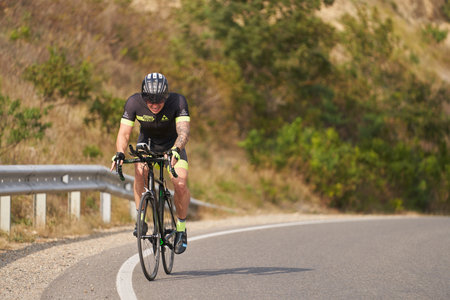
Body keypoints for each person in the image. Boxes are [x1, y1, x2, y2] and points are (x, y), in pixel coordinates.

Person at [111, 72, 190, 254]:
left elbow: (183, 132)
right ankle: (141, 218)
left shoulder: (178, 101)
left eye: (159, 102)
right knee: (140, 173)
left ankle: (181, 228)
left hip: (173, 146)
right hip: (147, 144)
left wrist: (176, 149)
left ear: (166, 97)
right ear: (143, 97)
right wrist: (120, 153)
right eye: (150, 102)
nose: (154, 106)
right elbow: (124, 133)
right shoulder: (133, 102)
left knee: (180, 183)